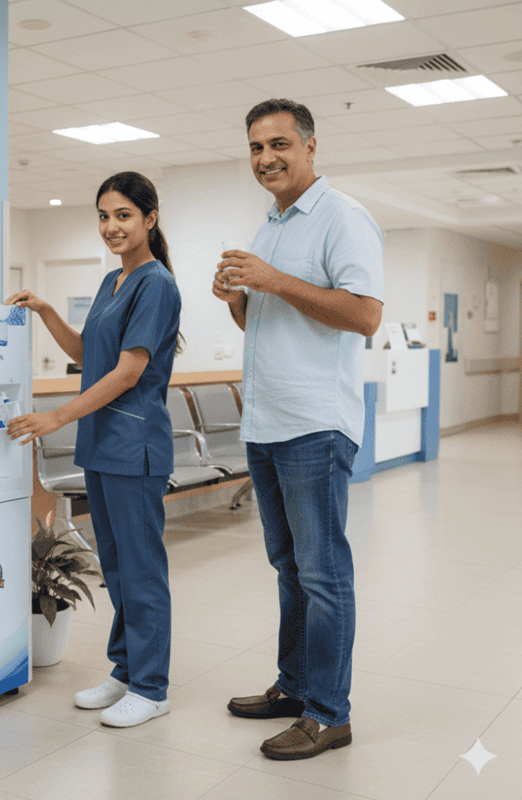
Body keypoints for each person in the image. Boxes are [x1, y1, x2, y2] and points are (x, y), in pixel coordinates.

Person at [212, 99, 384, 760]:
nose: (266, 158)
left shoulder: (343, 217)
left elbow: (365, 315)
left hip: (315, 424)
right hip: (267, 422)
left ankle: (329, 714)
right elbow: (263, 325)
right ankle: (294, 686)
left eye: (279, 144)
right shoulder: (269, 227)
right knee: (288, 568)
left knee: (322, 574)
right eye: (256, 147)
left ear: (311, 146)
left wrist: (275, 281)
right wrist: (239, 300)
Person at [4, 171, 182, 728]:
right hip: (103, 446)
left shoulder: (156, 284)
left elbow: (128, 372)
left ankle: (151, 688)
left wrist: (56, 417)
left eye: (124, 215)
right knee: (117, 568)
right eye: (104, 216)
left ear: (150, 218)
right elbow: (90, 354)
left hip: (135, 446)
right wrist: (47, 312)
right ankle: (125, 671)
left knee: (141, 570)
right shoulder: (112, 281)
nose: (112, 226)